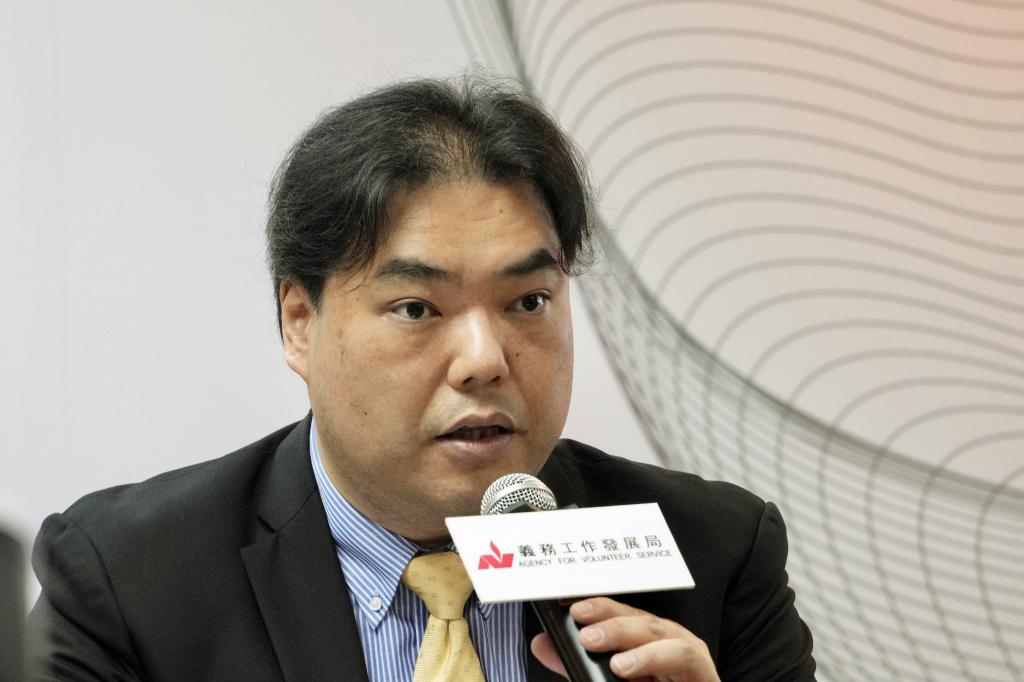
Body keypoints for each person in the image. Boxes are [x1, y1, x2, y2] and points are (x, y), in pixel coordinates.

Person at [29, 75, 815, 681]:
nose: (484, 359)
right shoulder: (130, 580)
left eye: (528, 301)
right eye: (416, 308)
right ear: (299, 322)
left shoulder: (715, 555)